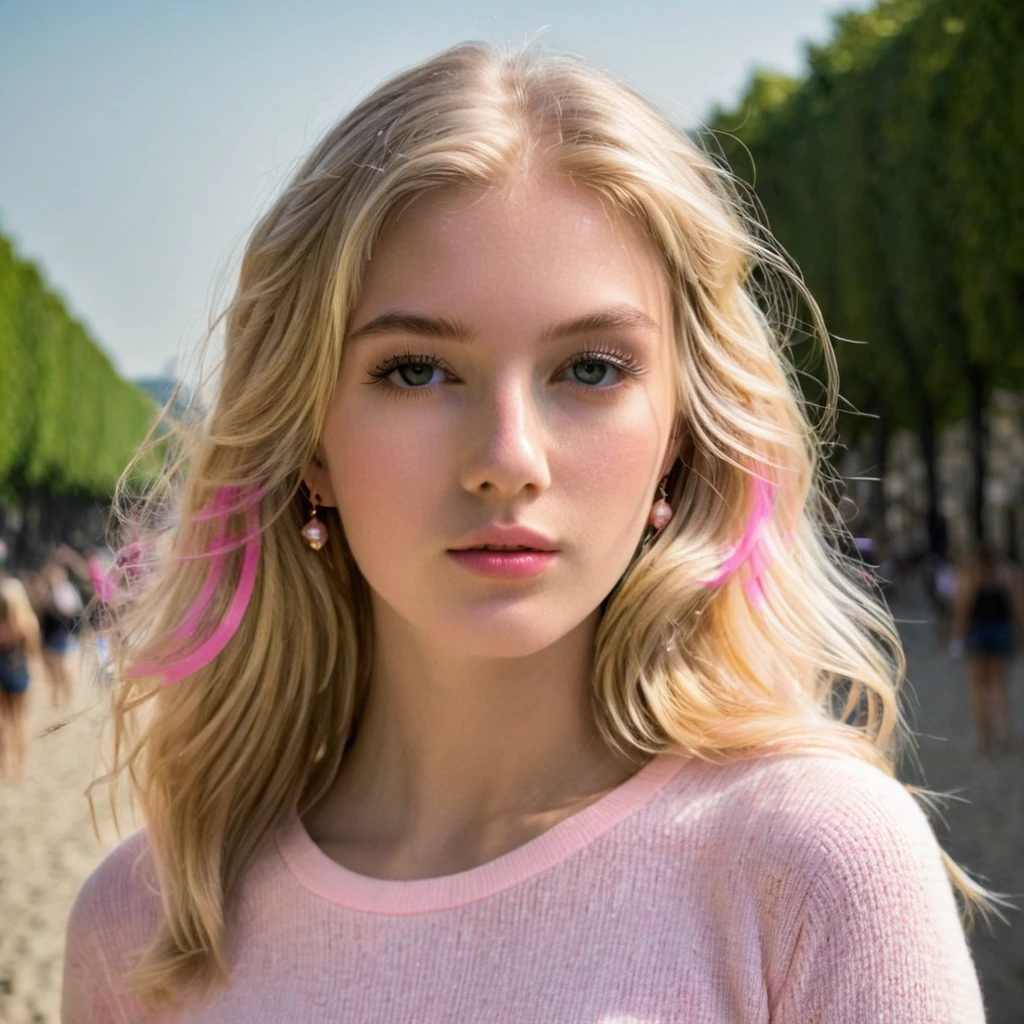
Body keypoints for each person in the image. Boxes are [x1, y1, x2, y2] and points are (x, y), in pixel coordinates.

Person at [62, 43, 995, 1022]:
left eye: (589, 368)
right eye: (416, 369)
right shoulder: (143, 927)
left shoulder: (813, 866)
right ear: (309, 443)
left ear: (678, 436)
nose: (508, 457)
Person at [949, 543, 1024, 756]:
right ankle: (1005, 733)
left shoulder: (970, 575)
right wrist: (1020, 631)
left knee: (978, 688)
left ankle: (984, 738)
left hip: (977, 633)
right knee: (1000, 686)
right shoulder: (1007, 575)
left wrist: (957, 637)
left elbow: (963, 607)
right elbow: (1018, 606)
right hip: (1001, 632)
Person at [0, 582, 37, 779]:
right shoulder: (26, 622)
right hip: (19, 673)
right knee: (20, 720)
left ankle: (6, 765)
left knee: (5, 721)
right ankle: (20, 766)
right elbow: (33, 652)